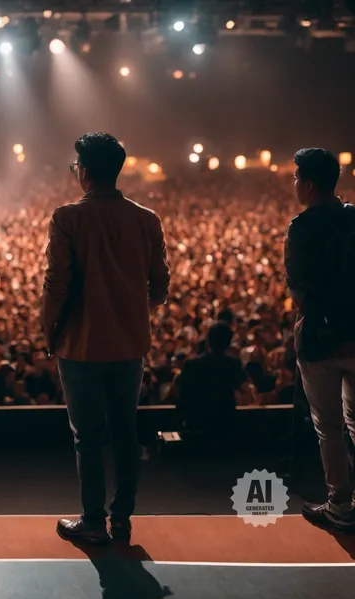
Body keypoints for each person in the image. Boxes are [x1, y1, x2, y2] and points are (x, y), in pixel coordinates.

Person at [44, 133, 170, 544]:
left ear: (83, 172)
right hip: (129, 343)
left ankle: (93, 522)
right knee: (125, 434)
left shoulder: (67, 218)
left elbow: (56, 283)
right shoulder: (147, 219)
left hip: (80, 345)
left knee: (88, 438)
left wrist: (50, 329)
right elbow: (160, 287)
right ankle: (122, 521)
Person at [285, 148, 355, 530]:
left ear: (309, 185)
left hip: (320, 341)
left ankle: (340, 505)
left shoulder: (302, 227)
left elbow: (299, 292)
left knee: (329, 426)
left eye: (296, 178)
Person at [174, 323, 249, 448]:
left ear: (208, 341)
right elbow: (244, 388)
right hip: (224, 422)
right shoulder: (233, 363)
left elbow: (181, 392)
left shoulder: (191, 364)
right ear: (228, 342)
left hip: (195, 421)